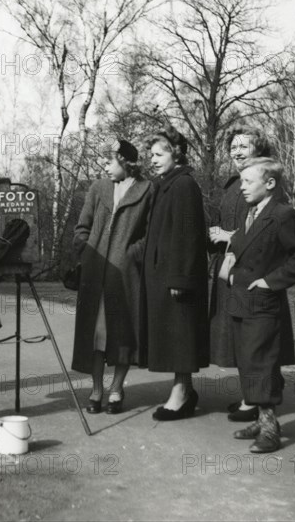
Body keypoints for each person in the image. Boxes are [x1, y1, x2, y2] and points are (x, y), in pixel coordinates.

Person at [228, 157, 295, 453]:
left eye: (248, 182)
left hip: (264, 304)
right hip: (242, 302)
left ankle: (269, 429)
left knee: (262, 363)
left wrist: (270, 282)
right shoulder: (251, 214)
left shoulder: (282, 214)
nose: (242, 188)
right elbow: (242, 248)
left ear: (270, 184)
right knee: (248, 362)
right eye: (241, 182)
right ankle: (264, 419)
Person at [208, 126, 295, 423]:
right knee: (242, 338)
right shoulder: (233, 184)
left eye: (244, 145)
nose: (236, 150)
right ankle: (252, 396)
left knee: (259, 340)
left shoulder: (269, 183)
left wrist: (228, 236)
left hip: (258, 273)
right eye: (232, 145)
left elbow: (265, 231)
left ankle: (257, 404)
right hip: (234, 270)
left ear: (259, 149)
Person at [72, 139, 152, 414]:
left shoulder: (146, 189)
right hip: (95, 275)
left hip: (127, 276)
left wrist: (132, 255)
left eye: (109, 161)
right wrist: (85, 250)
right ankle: (96, 390)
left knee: (122, 334)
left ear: (126, 161)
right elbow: (81, 226)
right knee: (95, 335)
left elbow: (150, 235)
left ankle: (116, 389)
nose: (104, 166)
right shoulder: (98, 188)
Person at [139, 126, 209, 421]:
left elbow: (188, 235)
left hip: (177, 277)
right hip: (164, 275)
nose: (152, 160)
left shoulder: (184, 186)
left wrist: (181, 278)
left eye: (159, 154)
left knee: (181, 337)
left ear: (176, 153)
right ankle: (185, 391)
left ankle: (181, 394)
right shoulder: (167, 184)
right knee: (175, 337)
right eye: (150, 155)